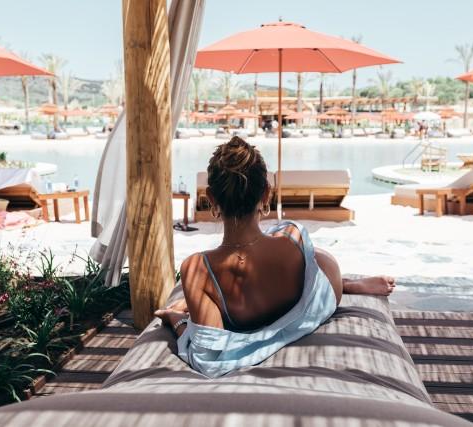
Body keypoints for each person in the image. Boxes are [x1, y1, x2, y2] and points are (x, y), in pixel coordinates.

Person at [155, 136, 395, 378]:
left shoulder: (197, 269)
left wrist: (176, 320)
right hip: (327, 291)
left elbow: (207, 357)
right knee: (287, 241)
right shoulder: (292, 236)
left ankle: (349, 284)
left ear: (211, 198)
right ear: (266, 194)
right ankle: (347, 284)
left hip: (316, 284)